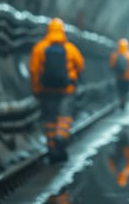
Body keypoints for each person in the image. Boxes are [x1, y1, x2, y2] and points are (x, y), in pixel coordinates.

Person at [29, 17, 85, 163]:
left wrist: (36, 89)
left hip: (46, 90)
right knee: (65, 116)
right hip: (67, 89)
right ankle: (61, 137)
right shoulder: (70, 49)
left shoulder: (40, 47)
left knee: (50, 120)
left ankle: (52, 149)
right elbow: (80, 65)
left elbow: (34, 70)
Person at [109, 38, 129, 110]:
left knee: (120, 90)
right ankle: (124, 101)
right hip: (127, 77)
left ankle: (121, 100)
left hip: (119, 76)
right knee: (126, 90)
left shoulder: (115, 55)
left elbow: (112, 66)